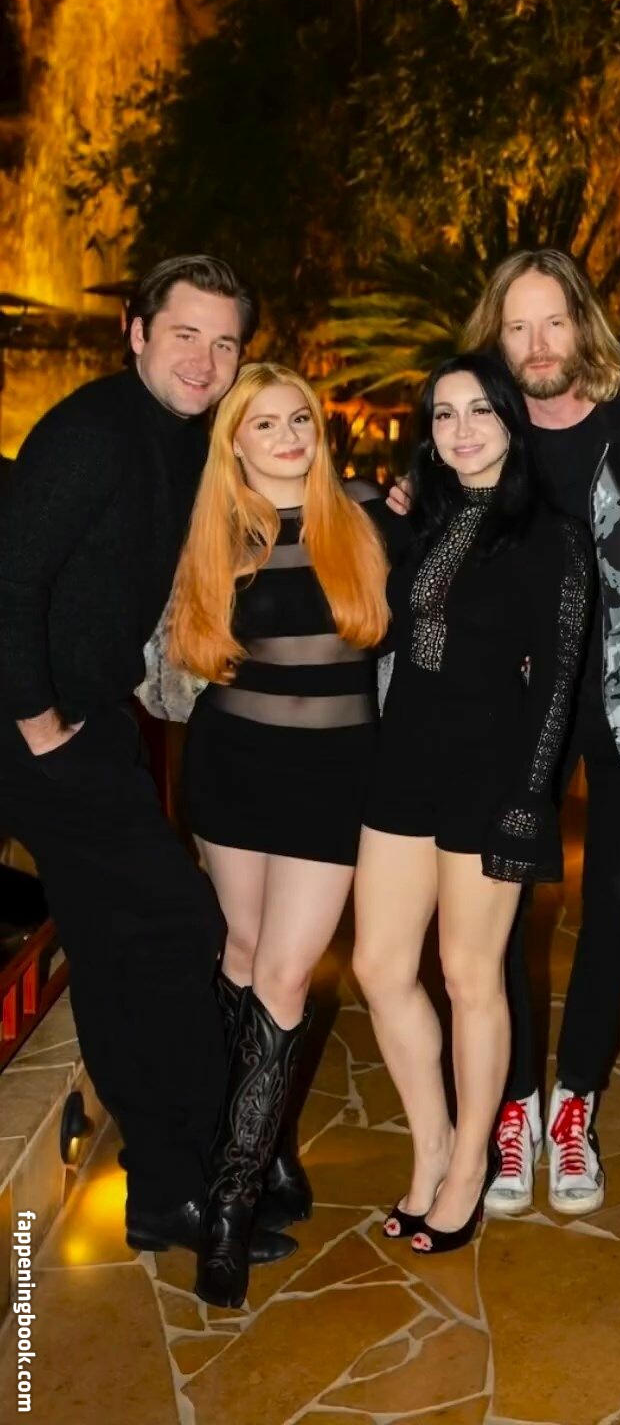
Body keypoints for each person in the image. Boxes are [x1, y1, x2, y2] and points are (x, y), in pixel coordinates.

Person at [0, 257, 292, 1267]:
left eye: (225, 342)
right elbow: (9, 583)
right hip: (36, 732)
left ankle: (168, 1192)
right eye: (184, 335)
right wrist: (39, 721)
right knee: (179, 927)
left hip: (90, 721)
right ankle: (197, 1172)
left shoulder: (184, 439)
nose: (205, 360)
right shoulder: (93, 433)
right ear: (136, 332)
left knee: (115, 949)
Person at [455, 249, 620, 1216]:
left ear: (584, 322)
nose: (538, 345)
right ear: (495, 338)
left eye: (553, 322)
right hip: (518, 706)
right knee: (505, 902)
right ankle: (513, 1102)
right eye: (518, 327)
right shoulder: (483, 428)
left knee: (612, 900)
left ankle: (575, 1100)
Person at [354, 352, 592, 1254]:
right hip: (403, 762)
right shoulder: (424, 518)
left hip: (492, 772)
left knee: (468, 975)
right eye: (444, 415)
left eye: (479, 412)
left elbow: (558, 684)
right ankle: (433, 1146)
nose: (460, 431)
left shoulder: (553, 536)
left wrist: (529, 799)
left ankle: (468, 1171)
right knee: (380, 967)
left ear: (510, 422)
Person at [169, 362, 390, 1307]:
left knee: (288, 974)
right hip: (233, 766)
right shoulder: (214, 531)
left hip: (332, 776)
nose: (290, 437)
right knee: (244, 954)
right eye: (264, 424)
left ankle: (229, 1203)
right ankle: (270, 1146)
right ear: (235, 444)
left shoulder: (368, 514)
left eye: (299, 418)